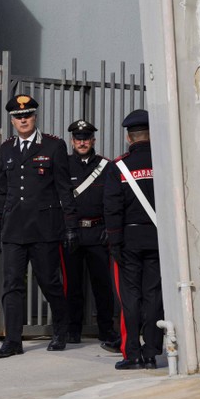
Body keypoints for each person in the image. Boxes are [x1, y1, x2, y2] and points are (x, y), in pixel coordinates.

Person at [0, 94, 79, 358]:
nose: (23, 119)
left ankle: (61, 330)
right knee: (11, 285)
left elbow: (64, 188)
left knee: (49, 282)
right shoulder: (6, 148)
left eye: (27, 115)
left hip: (44, 229)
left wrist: (71, 224)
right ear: (12, 121)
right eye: (18, 116)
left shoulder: (53, 146)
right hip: (14, 230)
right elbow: (1, 190)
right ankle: (13, 341)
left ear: (35, 117)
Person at [103, 109, 163, 370]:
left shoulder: (119, 166)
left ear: (129, 138)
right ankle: (151, 354)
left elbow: (112, 207)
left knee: (130, 297)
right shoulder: (163, 163)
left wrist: (114, 243)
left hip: (128, 240)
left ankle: (132, 354)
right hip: (158, 238)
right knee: (153, 297)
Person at [64, 120, 121, 352]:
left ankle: (106, 330)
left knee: (103, 286)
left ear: (93, 140)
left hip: (98, 233)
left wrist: (109, 228)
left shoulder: (106, 167)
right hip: (73, 233)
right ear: (72, 141)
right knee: (72, 285)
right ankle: (72, 329)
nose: (82, 142)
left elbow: (112, 200)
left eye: (86, 138)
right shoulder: (65, 166)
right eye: (78, 138)